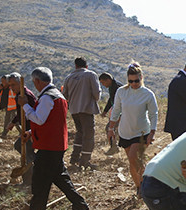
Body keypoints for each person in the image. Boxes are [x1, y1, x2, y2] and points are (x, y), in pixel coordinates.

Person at [19, 67, 89, 210]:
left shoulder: (47, 97)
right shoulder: (57, 95)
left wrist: (25, 106)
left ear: (37, 81)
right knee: (60, 177)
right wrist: (31, 131)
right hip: (56, 143)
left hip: (49, 146)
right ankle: (79, 204)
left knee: (40, 182)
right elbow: (50, 121)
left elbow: (39, 118)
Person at [107, 63, 158, 193]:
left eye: (136, 81)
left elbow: (153, 114)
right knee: (133, 162)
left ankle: (145, 186)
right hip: (125, 132)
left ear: (141, 78)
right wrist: (111, 128)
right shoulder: (121, 92)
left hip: (141, 132)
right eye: (130, 81)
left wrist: (152, 132)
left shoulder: (148, 94)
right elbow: (116, 110)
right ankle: (139, 186)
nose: (134, 83)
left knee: (133, 158)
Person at [63, 57, 101, 168]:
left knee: (79, 133)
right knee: (88, 135)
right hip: (86, 109)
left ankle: (74, 158)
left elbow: (64, 95)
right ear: (86, 66)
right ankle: (85, 161)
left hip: (74, 110)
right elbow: (96, 93)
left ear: (75, 66)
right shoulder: (90, 75)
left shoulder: (69, 77)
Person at [6, 72, 38, 186]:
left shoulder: (26, 95)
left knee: (22, 148)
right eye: (10, 85)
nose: (11, 87)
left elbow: (35, 112)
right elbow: (21, 112)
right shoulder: (19, 95)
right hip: (28, 129)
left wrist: (32, 131)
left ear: (20, 83)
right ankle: (29, 178)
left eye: (13, 84)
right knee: (24, 151)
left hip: (31, 129)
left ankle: (30, 178)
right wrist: (13, 122)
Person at [99, 72, 123, 155]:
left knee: (110, 128)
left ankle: (114, 148)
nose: (103, 85)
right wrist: (105, 111)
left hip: (122, 112)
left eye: (103, 82)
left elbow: (120, 103)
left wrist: (119, 115)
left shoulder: (116, 87)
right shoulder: (112, 86)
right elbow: (111, 100)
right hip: (118, 112)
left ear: (108, 80)